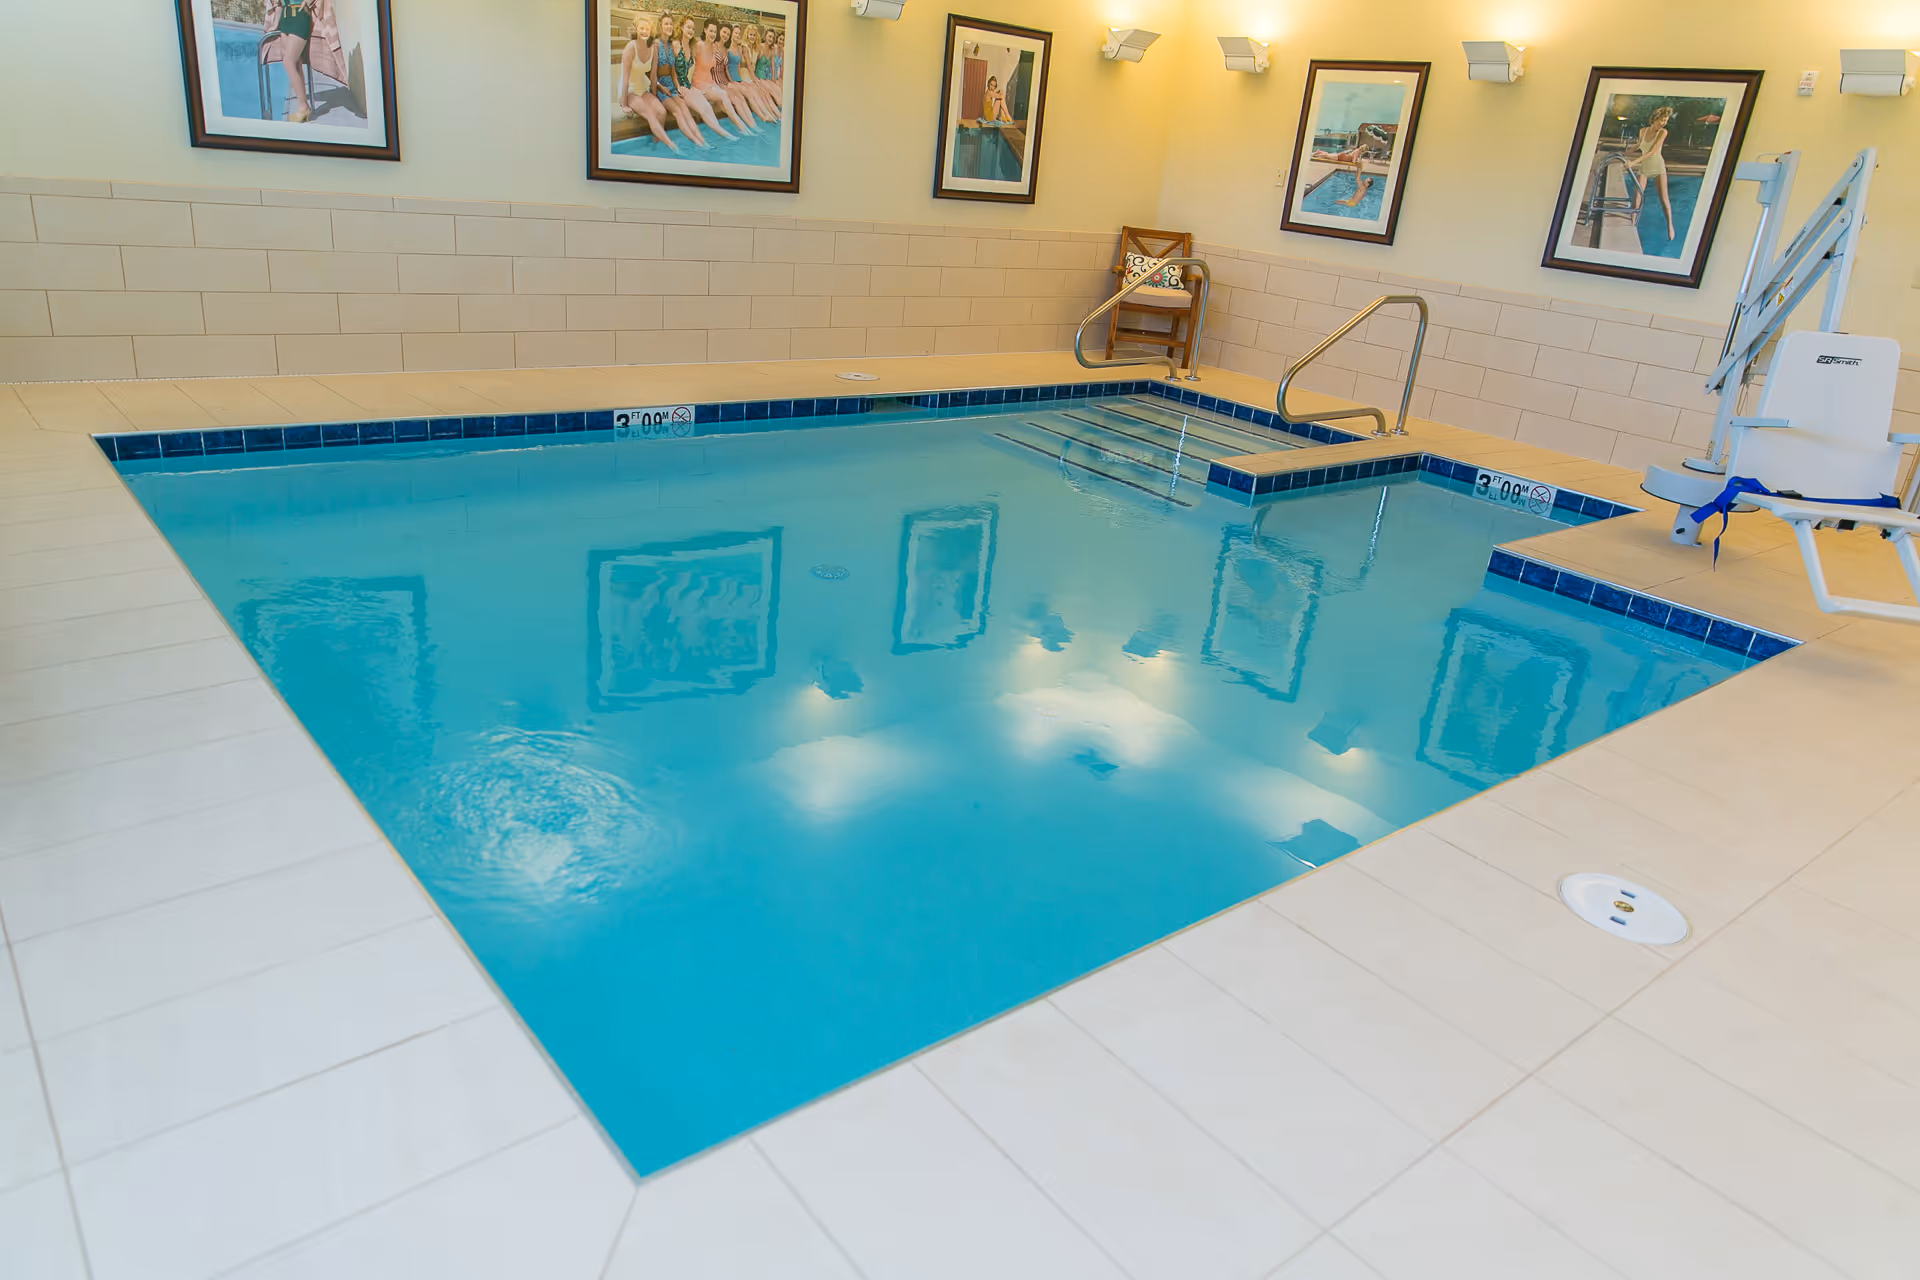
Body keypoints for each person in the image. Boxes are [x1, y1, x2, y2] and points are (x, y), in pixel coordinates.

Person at [260, 0, 345, 124]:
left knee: (288, 61)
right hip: (285, 15)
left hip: (300, 15)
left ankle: (304, 107)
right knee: (296, 62)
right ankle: (303, 106)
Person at [670, 15, 737, 142]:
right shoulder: (675, 44)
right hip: (680, 87)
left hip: (688, 85)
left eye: (692, 29)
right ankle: (712, 139)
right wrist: (677, 86)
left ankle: (722, 133)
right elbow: (672, 70)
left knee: (708, 106)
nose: (690, 30)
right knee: (702, 109)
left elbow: (710, 45)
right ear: (681, 28)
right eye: (688, 27)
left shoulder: (691, 45)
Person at [618, 16, 680, 152]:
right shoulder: (630, 47)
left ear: (651, 31)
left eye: (647, 29)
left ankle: (656, 142)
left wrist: (653, 96)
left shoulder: (652, 48)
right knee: (651, 114)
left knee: (662, 112)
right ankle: (672, 146)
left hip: (643, 86)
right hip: (630, 90)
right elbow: (626, 78)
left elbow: (653, 77)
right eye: (641, 28)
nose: (644, 31)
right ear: (636, 29)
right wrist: (624, 104)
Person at [651, 12, 708, 148]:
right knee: (678, 112)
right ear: (661, 26)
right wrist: (659, 87)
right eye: (666, 24)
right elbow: (650, 73)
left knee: (685, 110)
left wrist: (677, 87)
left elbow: (673, 72)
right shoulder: (655, 44)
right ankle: (697, 143)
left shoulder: (671, 45)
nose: (669, 26)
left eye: (671, 24)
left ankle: (702, 140)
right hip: (660, 86)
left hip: (671, 84)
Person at [694, 18, 758, 134]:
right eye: (724, 32)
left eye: (728, 34)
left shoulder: (725, 48)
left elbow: (726, 67)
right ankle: (743, 126)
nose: (726, 35)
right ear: (719, 32)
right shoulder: (713, 45)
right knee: (732, 98)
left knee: (739, 97)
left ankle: (751, 125)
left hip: (722, 80)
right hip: (714, 81)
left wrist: (730, 82)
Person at [1628, 105, 1676, 240]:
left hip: (1658, 168)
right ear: (1655, 119)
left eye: (1666, 121)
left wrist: (1633, 163)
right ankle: (1632, 223)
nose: (1664, 123)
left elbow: (1652, 151)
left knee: (1663, 199)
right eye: (1662, 120)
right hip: (1645, 167)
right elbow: (1638, 145)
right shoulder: (1643, 131)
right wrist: (1624, 153)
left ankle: (1669, 225)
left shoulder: (1663, 132)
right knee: (1637, 195)